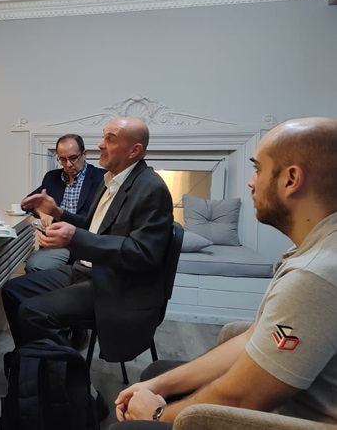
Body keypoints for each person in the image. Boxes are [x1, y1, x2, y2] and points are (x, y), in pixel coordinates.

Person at [111, 117, 337, 428]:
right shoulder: (317, 248)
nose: (251, 182)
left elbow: (243, 398)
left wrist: (157, 415)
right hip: (288, 401)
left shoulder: (315, 275)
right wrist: (157, 386)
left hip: (292, 420)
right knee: (155, 373)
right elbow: (252, 339)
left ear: (291, 179)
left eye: (258, 169)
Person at [1, 117, 173, 353]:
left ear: (134, 150)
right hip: (86, 271)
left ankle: (70, 374)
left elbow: (143, 253)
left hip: (115, 284)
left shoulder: (151, 188)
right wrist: (57, 212)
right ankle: (33, 362)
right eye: (103, 137)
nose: (100, 144)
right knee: (12, 291)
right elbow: (92, 227)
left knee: (34, 312)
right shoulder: (110, 181)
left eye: (110, 139)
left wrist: (74, 237)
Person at [23, 133, 106, 272]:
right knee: (34, 266)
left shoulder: (102, 178)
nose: (68, 165)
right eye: (62, 159)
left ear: (84, 154)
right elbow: (26, 203)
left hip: (84, 241)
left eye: (73, 158)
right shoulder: (52, 178)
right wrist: (42, 212)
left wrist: (56, 212)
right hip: (57, 243)